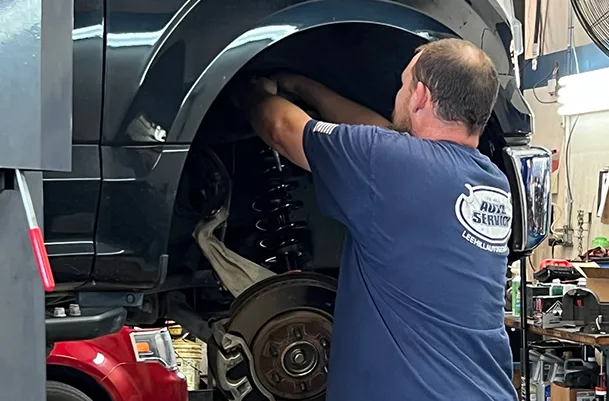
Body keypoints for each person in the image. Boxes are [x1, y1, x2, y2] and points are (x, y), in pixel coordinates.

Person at [233, 38, 517, 401]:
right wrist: (301, 85)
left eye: (403, 84)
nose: (398, 94)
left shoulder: (390, 164)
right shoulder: (492, 182)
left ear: (420, 97)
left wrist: (250, 92)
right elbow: (385, 138)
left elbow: (281, 129)